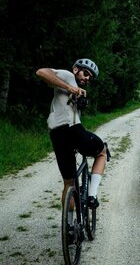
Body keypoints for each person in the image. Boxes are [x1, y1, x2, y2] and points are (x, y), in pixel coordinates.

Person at [36, 58, 107, 209]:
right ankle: (92, 196)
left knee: (69, 183)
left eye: (90, 78)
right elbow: (41, 72)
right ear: (76, 69)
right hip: (71, 130)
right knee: (102, 152)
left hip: (57, 134)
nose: (87, 78)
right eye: (86, 73)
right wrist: (69, 87)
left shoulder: (77, 88)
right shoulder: (68, 76)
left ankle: (68, 227)